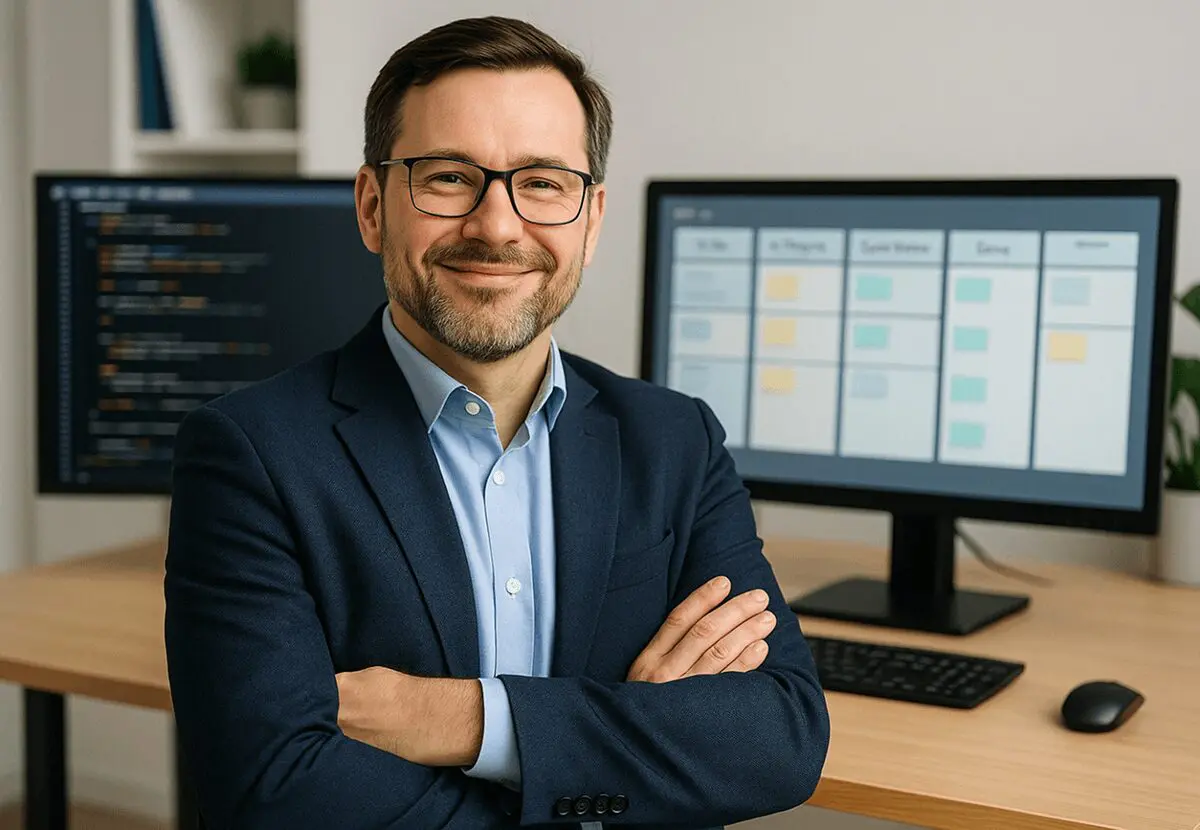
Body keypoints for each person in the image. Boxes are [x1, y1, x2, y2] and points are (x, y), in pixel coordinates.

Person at [164, 15, 829, 830]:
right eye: (448, 177)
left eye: (544, 182)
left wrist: (460, 719)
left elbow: (781, 737)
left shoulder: (675, 441)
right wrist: (623, 741)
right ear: (374, 207)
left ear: (591, 219)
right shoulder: (251, 452)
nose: (498, 225)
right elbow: (275, 786)